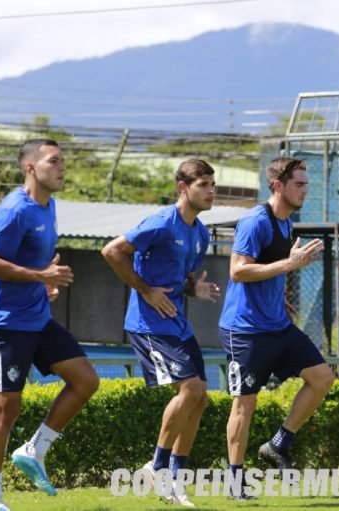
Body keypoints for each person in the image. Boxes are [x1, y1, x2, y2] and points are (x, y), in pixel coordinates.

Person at [0, 139, 99, 511]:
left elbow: (30, 265)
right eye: (54, 161)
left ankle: (34, 449)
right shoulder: (15, 210)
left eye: (63, 161)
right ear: (31, 167)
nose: (62, 167)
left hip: (37, 318)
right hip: (4, 323)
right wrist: (39, 275)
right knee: (6, 409)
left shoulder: (50, 206)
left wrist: (42, 284)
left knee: (86, 380)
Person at [102, 159, 219, 507]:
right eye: (204, 185)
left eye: (213, 184)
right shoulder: (160, 223)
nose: (211, 191)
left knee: (200, 397)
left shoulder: (201, 233)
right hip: (149, 323)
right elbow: (111, 251)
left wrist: (191, 290)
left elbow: (179, 280)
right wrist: (145, 289)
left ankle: (174, 478)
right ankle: (157, 467)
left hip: (177, 323)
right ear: (183, 187)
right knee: (191, 388)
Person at [218, 157, 334, 498]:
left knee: (322, 377)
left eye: (305, 184)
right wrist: (290, 263)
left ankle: (278, 444)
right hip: (246, 330)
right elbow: (238, 271)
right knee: (245, 404)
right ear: (277, 185)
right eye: (298, 184)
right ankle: (235, 482)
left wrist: (277, 295)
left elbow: (268, 269)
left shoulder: (287, 224)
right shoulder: (256, 221)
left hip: (277, 325)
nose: (304, 190)